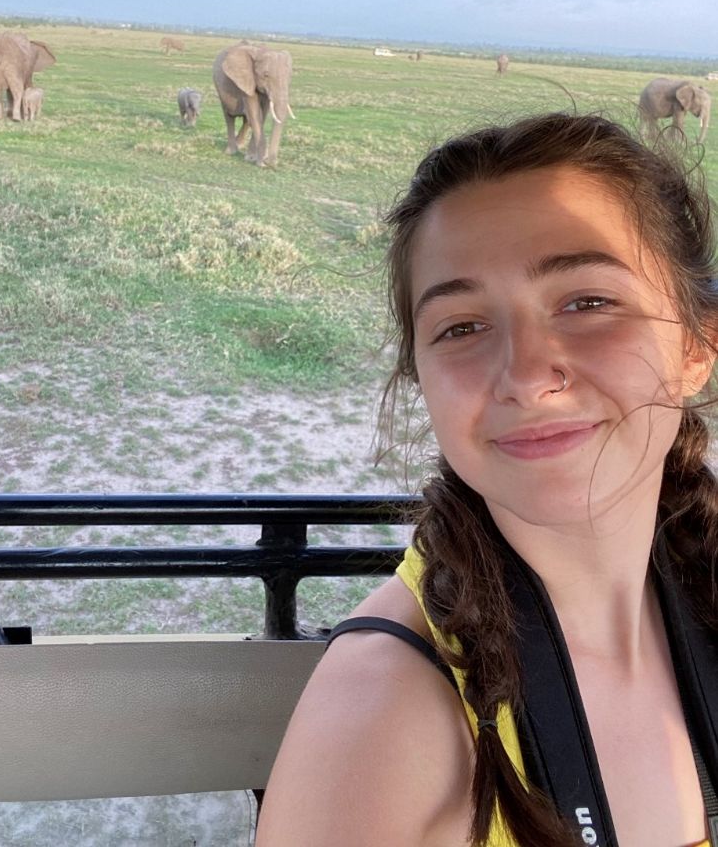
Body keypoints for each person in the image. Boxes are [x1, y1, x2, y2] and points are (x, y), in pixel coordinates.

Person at [256, 113, 718, 847]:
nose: (528, 378)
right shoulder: (381, 722)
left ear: (697, 346)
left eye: (588, 303)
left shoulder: (702, 583)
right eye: (462, 327)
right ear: (423, 379)